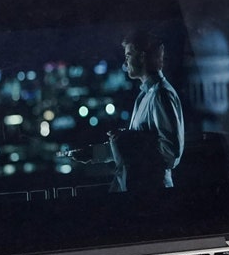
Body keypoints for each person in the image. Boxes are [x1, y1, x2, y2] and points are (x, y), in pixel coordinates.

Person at [72, 29, 185, 194]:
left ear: (142, 56)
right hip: (140, 189)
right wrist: (94, 153)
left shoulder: (160, 95)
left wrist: (128, 140)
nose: (125, 63)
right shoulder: (145, 96)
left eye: (128, 56)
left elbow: (171, 153)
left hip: (152, 192)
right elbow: (139, 147)